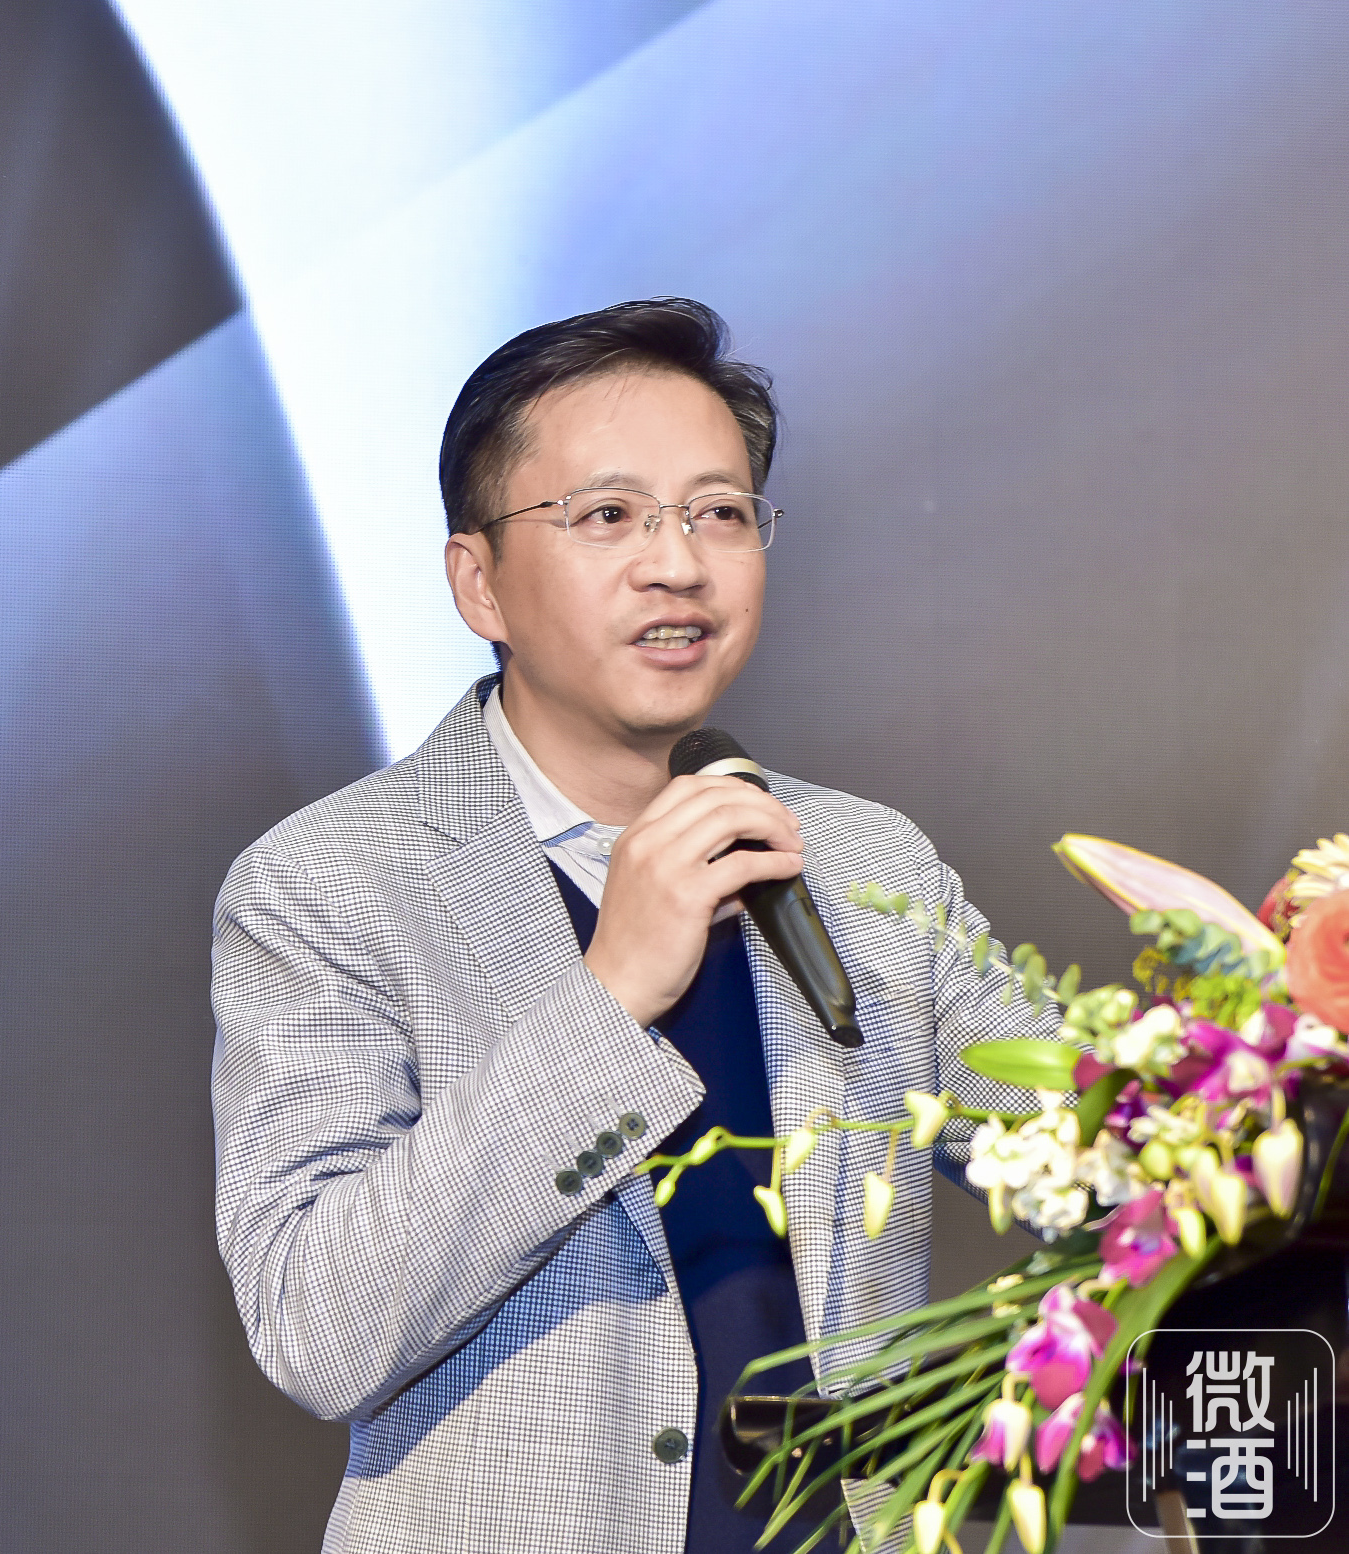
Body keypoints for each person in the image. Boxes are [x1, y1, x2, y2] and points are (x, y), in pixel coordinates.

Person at [209, 299, 1048, 1553]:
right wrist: (607, 999)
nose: (679, 564)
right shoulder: (327, 886)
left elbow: (1097, 1149)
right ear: (479, 581)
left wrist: (1268, 1060)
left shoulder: (869, 862)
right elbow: (316, 1328)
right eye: (609, 516)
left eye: (720, 513)